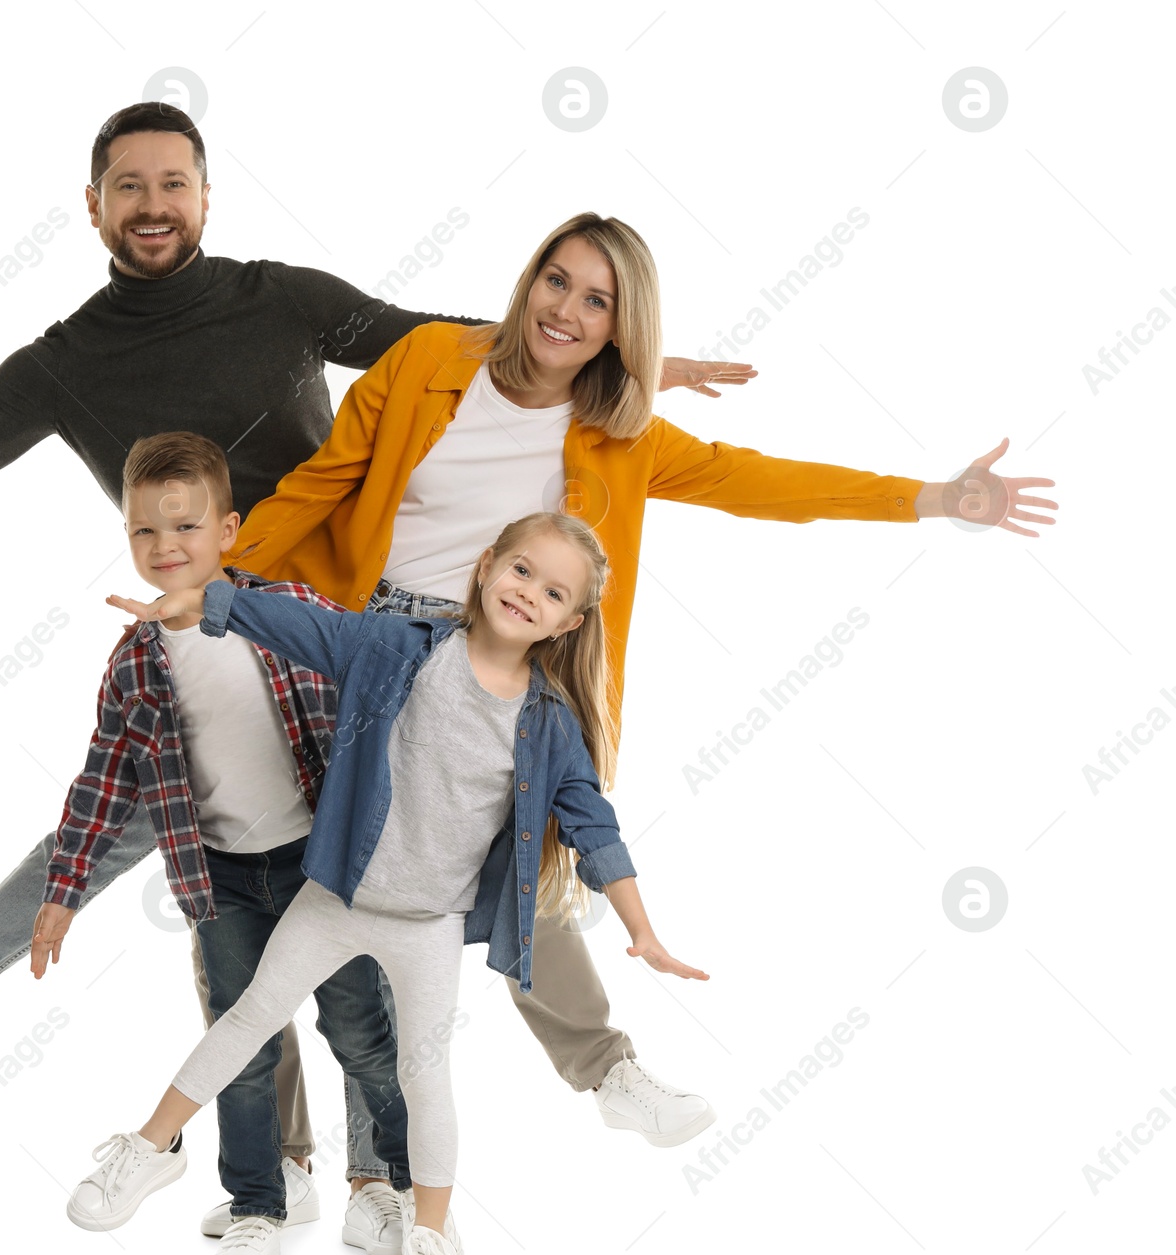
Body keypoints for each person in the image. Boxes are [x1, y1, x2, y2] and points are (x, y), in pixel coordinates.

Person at [0, 103, 748, 1220]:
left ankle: (581, 1082)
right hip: (203, 638)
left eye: (172, 183)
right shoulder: (63, 364)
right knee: (177, 860)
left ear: (203, 195)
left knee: (475, 828)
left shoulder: (279, 299)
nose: (152, 205)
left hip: (335, 641)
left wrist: (618, 363)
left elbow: (447, 342)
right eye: (128, 187)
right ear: (92, 206)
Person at [214, 211, 1058, 1161]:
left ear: (623, 327)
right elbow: (325, 481)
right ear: (528, 279)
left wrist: (933, 499)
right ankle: (287, 1168)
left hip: (494, 658)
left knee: (521, 861)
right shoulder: (422, 362)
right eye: (557, 281)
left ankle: (598, 1077)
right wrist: (220, 576)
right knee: (304, 886)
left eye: (598, 300)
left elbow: (761, 483)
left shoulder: (621, 435)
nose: (566, 308)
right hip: (374, 648)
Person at [81, 510, 708, 1255]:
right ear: (486, 565)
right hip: (338, 896)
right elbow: (301, 627)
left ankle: (432, 1241)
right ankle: (146, 1149)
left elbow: (593, 825)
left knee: (423, 1073)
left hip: (429, 925)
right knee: (244, 1020)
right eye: (520, 570)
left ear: (570, 621)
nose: (529, 594)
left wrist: (642, 928)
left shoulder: (548, 722)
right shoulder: (398, 647)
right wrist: (204, 602)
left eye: (552, 591)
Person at [37, 430, 416, 1255]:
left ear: (231, 530)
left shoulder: (287, 611)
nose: (166, 547)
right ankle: (256, 1205)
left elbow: (376, 685)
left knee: (362, 1030)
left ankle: (388, 1183)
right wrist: (65, 887)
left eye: (186, 527)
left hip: (322, 868)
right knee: (244, 1046)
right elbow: (103, 778)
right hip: (222, 880)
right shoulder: (134, 660)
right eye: (145, 532)